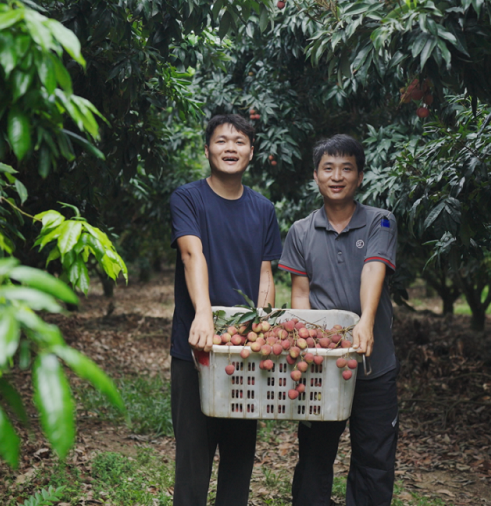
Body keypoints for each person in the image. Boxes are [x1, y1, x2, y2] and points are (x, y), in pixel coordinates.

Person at [278, 134, 399, 506]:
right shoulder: (300, 231)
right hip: (321, 367)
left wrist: (364, 322)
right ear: (315, 175)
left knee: (374, 457)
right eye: (328, 168)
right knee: (315, 454)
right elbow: (301, 293)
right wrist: (306, 348)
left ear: (360, 176)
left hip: (373, 365)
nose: (337, 176)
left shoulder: (381, 222)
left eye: (347, 168)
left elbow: (373, 270)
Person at [169, 114, 283, 505]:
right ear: (207, 150)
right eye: (220, 141)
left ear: (251, 152)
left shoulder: (264, 209)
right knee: (193, 458)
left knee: (239, 457)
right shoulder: (188, 198)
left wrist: (263, 325)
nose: (230, 148)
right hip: (196, 346)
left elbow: (265, 275)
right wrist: (204, 313)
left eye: (239, 141)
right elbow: (191, 253)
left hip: (243, 351)